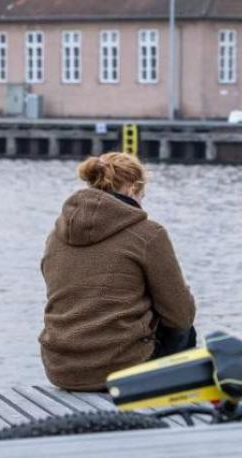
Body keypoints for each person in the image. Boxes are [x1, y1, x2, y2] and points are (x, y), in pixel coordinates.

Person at [39, 152, 196, 391]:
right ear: (133, 189)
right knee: (183, 328)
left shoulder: (56, 236)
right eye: (143, 194)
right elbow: (181, 315)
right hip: (124, 369)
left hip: (60, 369)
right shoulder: (148, 234)